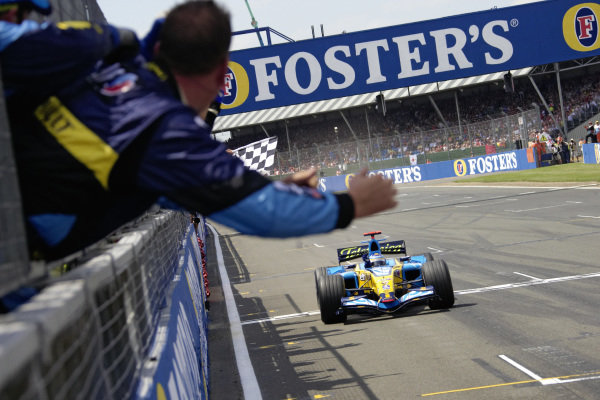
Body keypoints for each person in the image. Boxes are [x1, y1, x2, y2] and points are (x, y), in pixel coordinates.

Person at [3, 1, 397, 261]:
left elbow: (170, 185)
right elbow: (266, 214)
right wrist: (351, 205)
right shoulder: (165, 129)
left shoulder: (105, 68)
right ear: (222, 74)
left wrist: (276, 184)